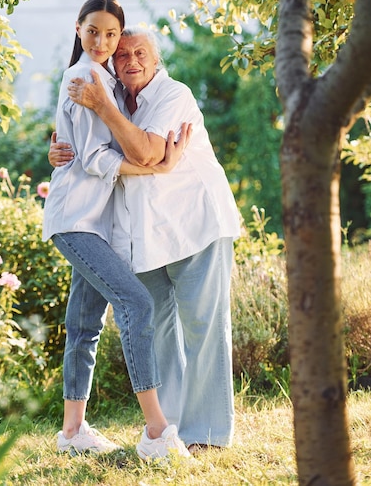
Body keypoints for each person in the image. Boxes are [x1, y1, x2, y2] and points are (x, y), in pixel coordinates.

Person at [50, 25, 241, 453]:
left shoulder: (174, 95)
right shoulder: (115, 99)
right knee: (157, 332)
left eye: (141, 53)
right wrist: (61, 148)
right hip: (146, 238)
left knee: (203, 328)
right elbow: (88, 147)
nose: (131, 60)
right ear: (113, 63)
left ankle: (207, 435)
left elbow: (145, 154)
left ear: (157, 62)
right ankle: (168, 429)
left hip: (196, 227)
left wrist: (101, 106)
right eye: (123, 55)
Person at [42, 0, 191, 460]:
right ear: (77, 28)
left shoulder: (107, 78)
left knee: (85, 324)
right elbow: (90, 157)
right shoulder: (84, 77)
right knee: (136, 302)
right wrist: (156, 167)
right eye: (94, 31)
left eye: (112, 33)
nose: (103, 41)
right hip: (76, 221)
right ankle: (155, 429)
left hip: (96, 224)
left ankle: (72, 432)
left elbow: (75, 145)